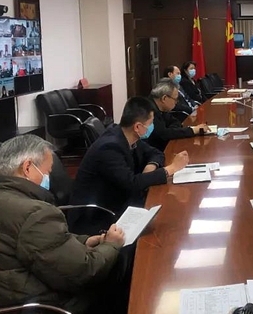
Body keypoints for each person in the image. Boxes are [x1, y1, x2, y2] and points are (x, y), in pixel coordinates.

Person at [0, 135, 126, 314]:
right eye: (47, 171)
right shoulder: (33, 213)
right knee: (123, 272)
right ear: (27, 167)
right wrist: (112, 245)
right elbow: (84, 271)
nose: (49, 177)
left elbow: (40, 245)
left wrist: (86, 241)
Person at [70, 96, 189, 234]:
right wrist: (171, 168)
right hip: (97, 216)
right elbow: (131, 184)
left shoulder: (126, 135)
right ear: (138, 127)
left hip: (119, 200)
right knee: (165, 224)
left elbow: (156, 153)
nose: (152, 127)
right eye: (150, 123)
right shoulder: (110, 148)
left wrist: (151, 165)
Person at [147, 79, 210, 152]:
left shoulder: (162, 108)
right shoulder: (148, 111)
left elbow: (175, 122)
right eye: (175, 99)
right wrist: (193, 130)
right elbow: (164, 135)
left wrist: (171, 131)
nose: (176, 102)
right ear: (164, 98)